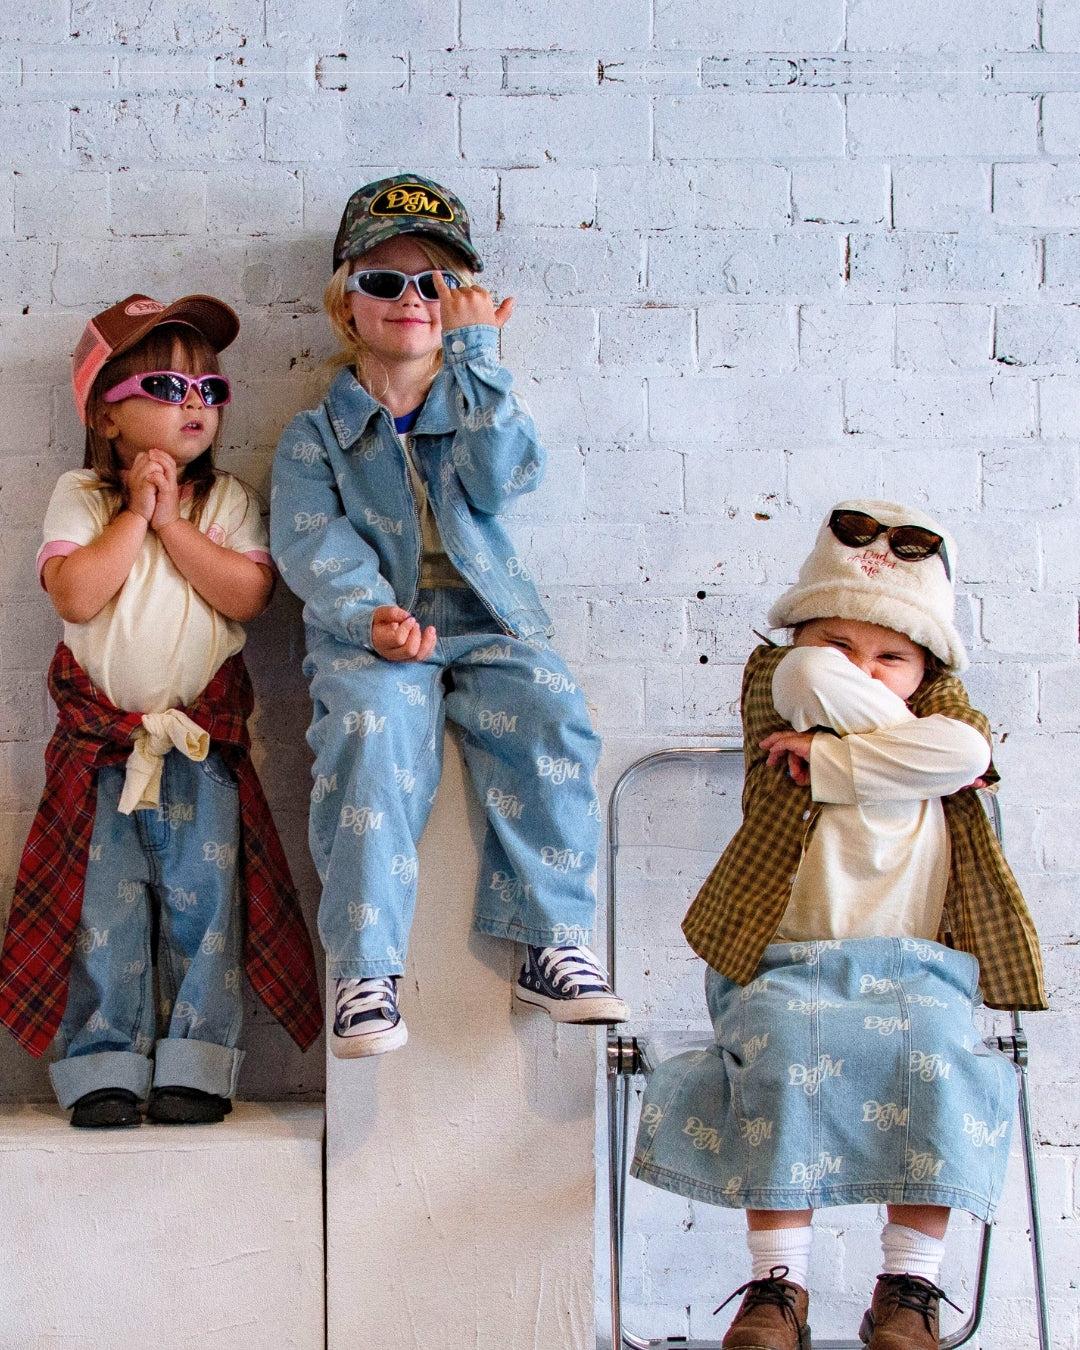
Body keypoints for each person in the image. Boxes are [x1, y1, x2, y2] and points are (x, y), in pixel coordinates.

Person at [631, 501, 1046, 1350]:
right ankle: (777, 1286)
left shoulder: (949, 719)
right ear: (803, 634)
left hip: (918, 967)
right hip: (783, 959)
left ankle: (908, 1287)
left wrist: (834, 761)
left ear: (929, 666)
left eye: (893, 655)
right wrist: (914, 750)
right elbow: (827, 690)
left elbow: (968, 756)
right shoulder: (779, 680)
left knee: (936, 1059)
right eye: (843, 643)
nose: (862, 667)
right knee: (782, 1051)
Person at [271, 174, 628, 1057]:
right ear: (345, 307)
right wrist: (371, 617)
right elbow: (313, 547)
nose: (409, 300)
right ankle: (366, 969)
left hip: (488, 615)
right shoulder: (315, 436)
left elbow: (503, 479)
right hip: (379, 629)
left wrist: (479, 359)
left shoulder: (476, 400)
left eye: (433, 283)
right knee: (369, 724)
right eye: (383, 282)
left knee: (552, 712)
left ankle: (552, 943)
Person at [0, 294, 321, 1128]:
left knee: (205, 908)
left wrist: (175, 522)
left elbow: (249, 594)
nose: (193, 404)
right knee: (103, 910)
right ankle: (102, 1061)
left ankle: (197, 1062)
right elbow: (74, 593)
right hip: (101, 754)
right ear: (105, 415)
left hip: (200, 750)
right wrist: (136, 516)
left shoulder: (226, 504)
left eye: (209, 390)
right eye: (166, 385)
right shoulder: (83, 497)